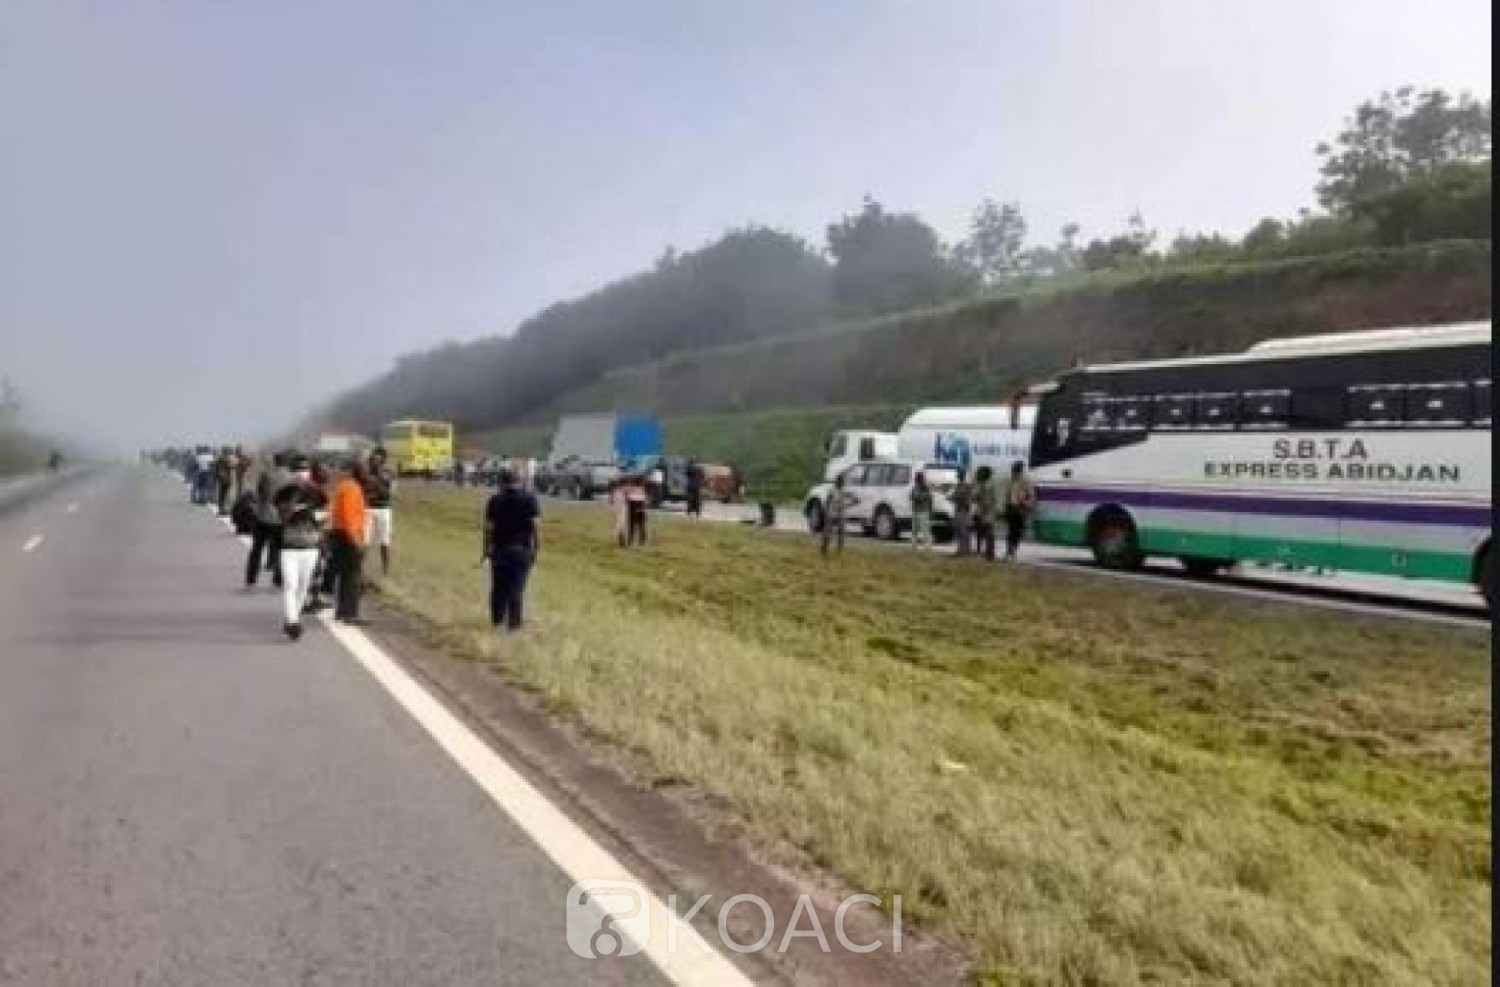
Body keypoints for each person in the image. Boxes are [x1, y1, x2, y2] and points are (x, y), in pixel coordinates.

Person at [272, 456, 327, 641]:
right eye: (298, 471)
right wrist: (295, 503)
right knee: (290, 585)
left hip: (311, 547)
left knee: (303, 586)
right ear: (292, 473)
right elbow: (283, 517)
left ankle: (291, 619)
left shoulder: (317, 492)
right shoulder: (283, 493)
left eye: (305, 471)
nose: (302, 474)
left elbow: (323, 513)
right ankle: (294, 622)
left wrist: (316, 515)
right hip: (290, 547)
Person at [483, 467, 540, 631]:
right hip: (521, 550)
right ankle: (514, 626)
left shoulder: (494, 500)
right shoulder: (530, 499)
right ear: (519, 482)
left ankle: (496, 622)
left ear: (501, 482)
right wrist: (536, 550)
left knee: (498, 588)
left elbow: (488, 529)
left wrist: (486, 550)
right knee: (516, 589)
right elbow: (536, 527)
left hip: (500, 550)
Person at [327, 459, 368, 624]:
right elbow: (350, 517)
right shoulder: (352, 488)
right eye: (362, 470)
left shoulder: (342, 486)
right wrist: (357, 541)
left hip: (338, 533)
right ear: (354, 471)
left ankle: (342, 611)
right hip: (348, 535)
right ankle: (351, 613)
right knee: (353, 576)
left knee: (345, 575)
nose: (365, 473)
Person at [246, 452, 288, 589]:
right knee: (281, 550)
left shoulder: (266, 475)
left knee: (256, 550)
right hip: (281, 519)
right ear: (286, 462)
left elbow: (260, 493)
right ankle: (278, 580)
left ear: (275, 461)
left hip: (263, 517)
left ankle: (251, 580)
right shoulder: (291, 478)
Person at [363, 447, 396, 577]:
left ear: (383, 459)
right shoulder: (365, 471)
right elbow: (364, 492)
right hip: (368, 509)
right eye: (374, 457)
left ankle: (385, 570)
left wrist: (378, 483)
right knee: (365, 540)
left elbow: (391, 493)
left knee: (385, 541)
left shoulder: (389, 472)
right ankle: (360, 568)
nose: (376, 460)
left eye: (379, 457)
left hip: (384, 509)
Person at [1001, 460, 1037, 561]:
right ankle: (1009, 551)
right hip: (1010, 508)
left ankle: (1012, 552)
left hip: (1020, 509)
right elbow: (1006, 495)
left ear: (1020, 470)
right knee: (1010, 531)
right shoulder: (1009, 481)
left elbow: (1032, 497)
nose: (1014, 471)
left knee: (1017, 532)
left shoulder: (1026, 481)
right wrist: (1005, 506)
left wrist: (1025, 503)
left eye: (1016, 469)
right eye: (1014, 469)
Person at [820, 473, 853, 557]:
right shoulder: (832, 491)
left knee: (841, 533)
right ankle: (824, 549)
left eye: (842, 482)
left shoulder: (844, 491)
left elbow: (853, 498)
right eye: (840, 481)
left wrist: (849, 504)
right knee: (828, 532)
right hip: (831, 513)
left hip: (840, 514)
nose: (841, 483)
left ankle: (839, 552)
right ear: (836, 482)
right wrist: (826, 512)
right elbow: (827, 502)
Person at [972, 465, 999, 562]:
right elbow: (974, 497)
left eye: (979, 472)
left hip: (987, 513)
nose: (977, 474)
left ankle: (989, 554)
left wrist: (982, 512)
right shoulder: (981, 485)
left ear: (984, 474)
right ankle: (984, 553)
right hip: (983, 512)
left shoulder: (987, 486)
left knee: (988, 533)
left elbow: (986, 502)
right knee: (981, 533)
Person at [949, 468, 973, 557]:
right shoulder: (958, 486)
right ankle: (960, 549)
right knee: (958, 531)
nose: (959, 476)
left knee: (964, 531)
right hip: (958, 510)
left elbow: (967, 498)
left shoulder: (967, 486)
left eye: (960, 475)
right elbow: (954, 497)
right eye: (958, 475)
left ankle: (966, 550)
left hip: (964, 511)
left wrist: (957, 498)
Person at [910, 471, 933, 549]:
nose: (916, 481)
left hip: (923, 511)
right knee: (914, 529)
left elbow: (926, 499)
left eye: (917, 479)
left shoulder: (925, 489)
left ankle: (927, 545)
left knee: (925, 529)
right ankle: (914, 544)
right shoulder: (915, 488)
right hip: (916, 510)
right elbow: (912, 497)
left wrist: (930, 510)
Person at [625, 472, 649, 546]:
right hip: (641, 503)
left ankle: (630, 540)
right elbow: (646, 498)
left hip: (632, 503)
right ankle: (642, 540)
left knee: (631, 524)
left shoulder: (631, 487)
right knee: (641, 524)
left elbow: (627, 496)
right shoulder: (643, 488)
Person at [214, 446, 234, 516]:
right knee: (224, 495)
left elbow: (216, 469)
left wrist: (216, 477)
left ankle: (221, 509)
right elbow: (232, 466)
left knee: (222, 495)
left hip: (223, 479)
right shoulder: (226, 459)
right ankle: (222, 509)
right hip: (227, 479)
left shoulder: (220, 459)